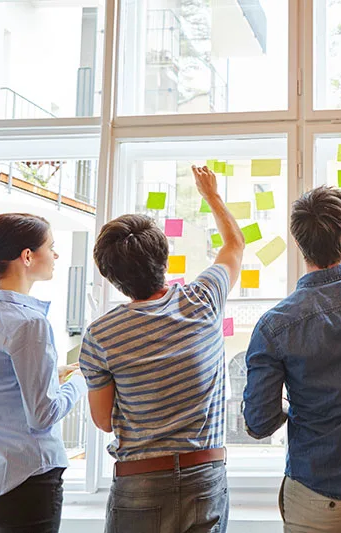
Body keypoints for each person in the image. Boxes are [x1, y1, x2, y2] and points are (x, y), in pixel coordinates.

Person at [78, 166, 244, 533]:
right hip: (205, 475)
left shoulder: (101, 336)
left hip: (139, 481)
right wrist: (211, 195)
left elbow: (103, 420)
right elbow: (234, 245)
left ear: (112, 278)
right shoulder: (203, 299)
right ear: (165, 257)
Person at [243, 186, 341, 532]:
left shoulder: (275, 326)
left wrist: (303, 408)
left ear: (298, 243)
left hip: (316, 494)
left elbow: (259, 423)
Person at [0, 213, 85, 533]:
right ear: (28, 256)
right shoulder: (29, 323)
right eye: (51, 247)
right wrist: (82, 381)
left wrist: (50, 376)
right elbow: (44, 415)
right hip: (25, 480)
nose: (56, 256)